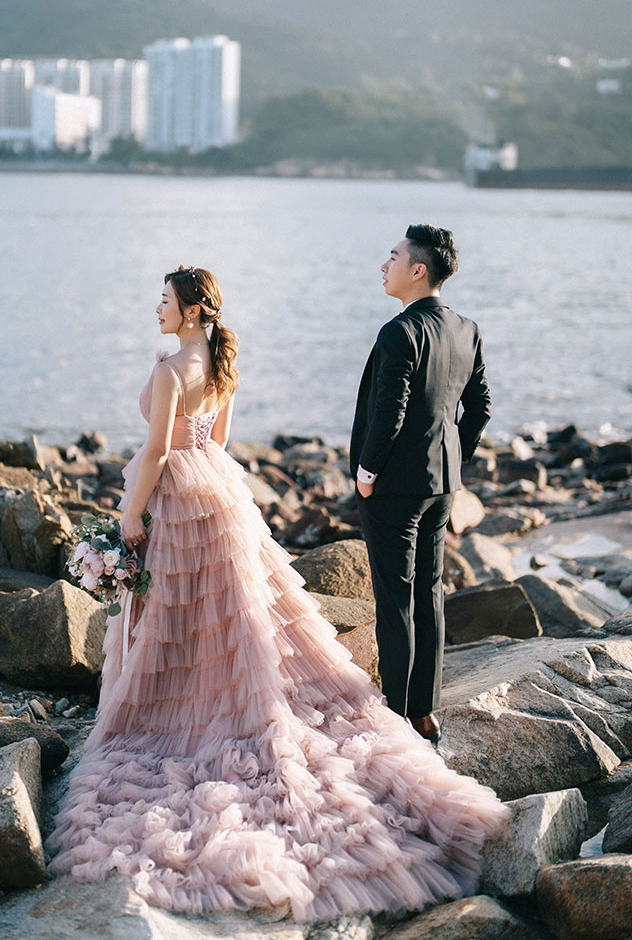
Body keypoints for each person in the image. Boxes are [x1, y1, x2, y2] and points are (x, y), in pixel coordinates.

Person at [47, 264, 506, 923]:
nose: (157, 309)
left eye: (166, 301)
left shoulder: (171, 370)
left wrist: (128, 517)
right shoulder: (223, 362)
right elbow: (222, 438)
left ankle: (176, 712)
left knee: (179, 616)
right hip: (222, 491)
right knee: (232, 613)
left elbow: (152, 453)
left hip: (179, 494)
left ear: (193, 311)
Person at [350, 225, 491, 746]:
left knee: (395, 597)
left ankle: (397, 709)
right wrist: (454, 458)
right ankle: (426, 710)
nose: (384, 266)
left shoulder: (400, 331)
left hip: (393, 488)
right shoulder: (466, 328)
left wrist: (368, 472)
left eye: (392, 257)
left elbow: (390, 411)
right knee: (429, 590)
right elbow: (480, 408)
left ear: (418, 270)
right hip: (441, 485)